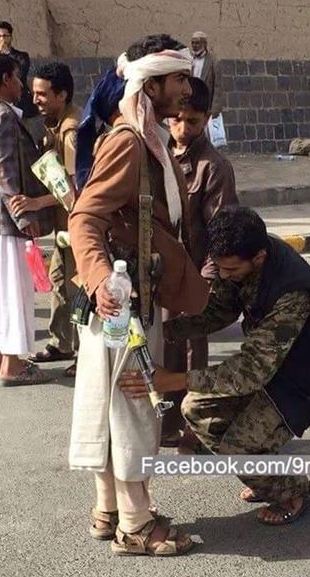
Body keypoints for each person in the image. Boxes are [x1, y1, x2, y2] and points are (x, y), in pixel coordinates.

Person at [120, 206, 310, 526]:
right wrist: (165, 331)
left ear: (258, 258)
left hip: (302, 378)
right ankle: (265, 476)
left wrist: (172, 380)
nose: (224, 276)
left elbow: (250, 371)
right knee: (196, 409)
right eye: (219, 267)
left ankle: (293, 490)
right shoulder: (240, 258)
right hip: (268, 364)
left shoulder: (292, 292)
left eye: (230, 269)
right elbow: (220, 310)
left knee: (239, 449)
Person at [68, 34, 209, 556]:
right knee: (132, 408)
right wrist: (102, 279)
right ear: (151, 84)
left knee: (115, 405)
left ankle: (108, 509)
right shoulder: (130, 141)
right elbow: (85, 216)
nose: (186, 88)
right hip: (122, 305)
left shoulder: (148, 136)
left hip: (130, 297)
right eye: (178, 79)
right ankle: (136, 525)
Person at [161, 76, 238, 449]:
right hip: (162, 274)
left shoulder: (214, 167)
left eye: (192, 121)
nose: (182, 128)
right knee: (163, 347)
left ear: (207, 118)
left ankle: (196, 426)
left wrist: (205, 285)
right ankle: (166, 420)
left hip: (195, 275)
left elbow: (220, 231)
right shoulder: (157, 154)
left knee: (193, 352)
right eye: (176, 119)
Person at [0, 53, 53, 385]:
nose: (22, 85)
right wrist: (22, 215)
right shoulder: (1, 114)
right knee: (13, 287)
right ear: (6, 79)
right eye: (18, 77)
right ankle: (13, 366)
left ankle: (0, 356)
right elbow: (1, 167)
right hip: (5, 215)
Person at [21, 62, 81, 375]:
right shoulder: (54, 123)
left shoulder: (71, 131)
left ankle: (85, 356)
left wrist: (34, 202)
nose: (36, 100)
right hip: (62, 225)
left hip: (76, 224)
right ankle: (61, 343)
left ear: (62, 94)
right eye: (34, 93)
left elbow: (71, 190)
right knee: (58, 281)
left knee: (77, 289)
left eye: (42, 94)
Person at [0, 21, 38, 122]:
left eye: (5, 36)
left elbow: (21, 72)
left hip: (21, 105)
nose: (2, 39)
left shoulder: (22, 56)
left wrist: (7, 52)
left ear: (11, 37)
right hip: (2, 107)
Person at [190, 31, 223, 118]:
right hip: (190, 105)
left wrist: (214, 110)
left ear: (204, 44)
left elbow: (218, 87)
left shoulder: (212, 61)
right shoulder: (189, 59)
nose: (194, 46)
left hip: (205, 106)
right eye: (193, 43)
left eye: (197, 43)